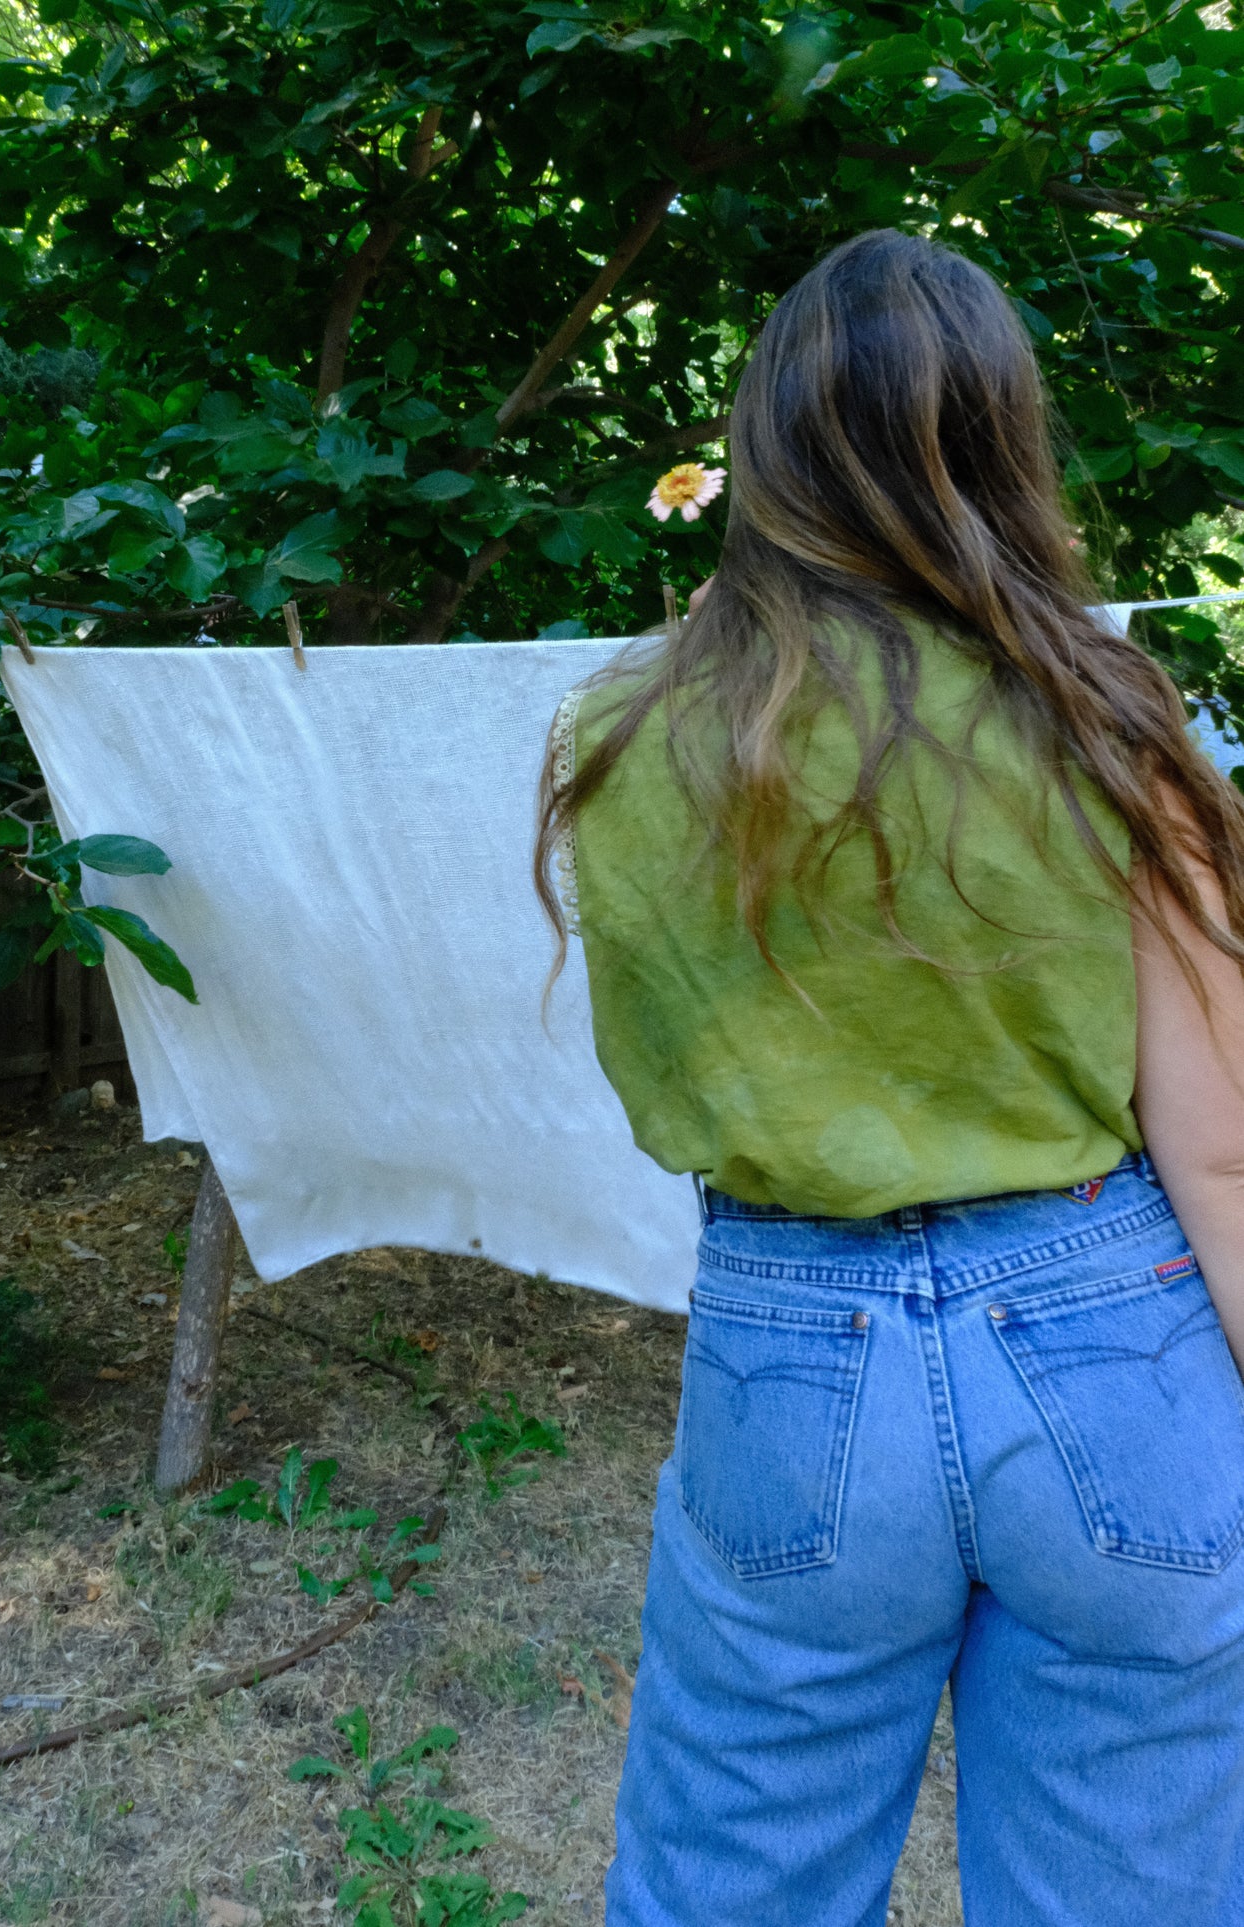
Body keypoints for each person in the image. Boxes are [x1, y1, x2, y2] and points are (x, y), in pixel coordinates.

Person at [534, 228, 1244, 1925]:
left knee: (733, 1888)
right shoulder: (1103, 718)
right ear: (1000, 442)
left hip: (789, 1355)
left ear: (765, 450)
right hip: (1114, 1350)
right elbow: (1221, 1151)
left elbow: (673, 1076)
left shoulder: (624, 735)